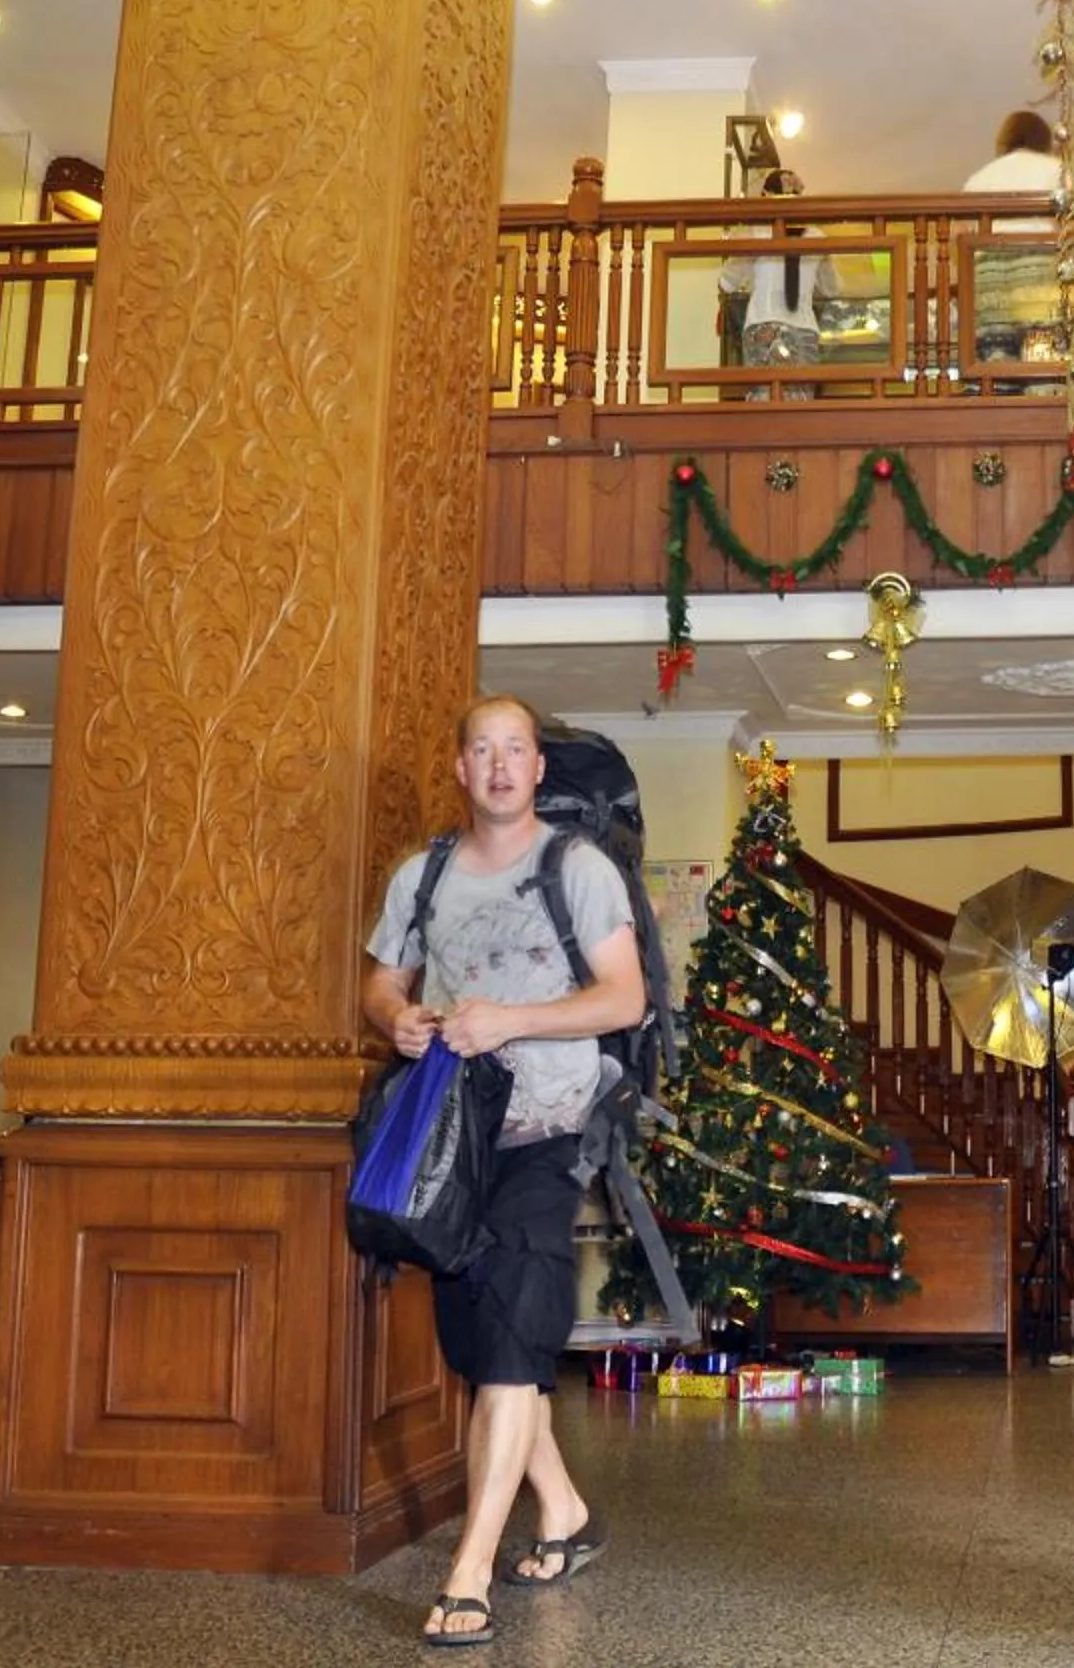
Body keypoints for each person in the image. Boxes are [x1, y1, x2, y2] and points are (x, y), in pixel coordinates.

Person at [363, 695, 646, 1649]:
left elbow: (624, 997)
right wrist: (392, 1018)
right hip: (450, 1143)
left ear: (535, 770)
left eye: (514, 750)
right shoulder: (424, 873)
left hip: (549, 1130)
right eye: (480, 749)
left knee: (514, 1343)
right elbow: (380, 977)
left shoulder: (579, 869)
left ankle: (469, 1572)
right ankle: (563, 1510)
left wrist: (514, 1020)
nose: (497, 766)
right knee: (489, 1349)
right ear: (460, 767)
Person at [961, 111, 1065, 382]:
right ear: (1043, 139)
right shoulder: (1056, 169)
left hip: (987, 267)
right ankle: (1041, 403)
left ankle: (1000, 406)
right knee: (1041, 346)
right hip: (1037, 258)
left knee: (997, 353)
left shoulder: (978, 179)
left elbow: (961, 234)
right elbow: (1073, 220)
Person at [716, 167, 836, 400]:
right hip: (804, 328)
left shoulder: (756, 232)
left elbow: (726, 282)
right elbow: (832, 288)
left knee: (764, 403)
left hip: (763, 322)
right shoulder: (817, 237)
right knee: (799, 406)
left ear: (766, 197)